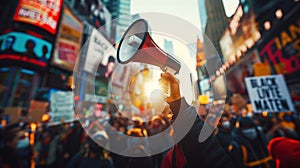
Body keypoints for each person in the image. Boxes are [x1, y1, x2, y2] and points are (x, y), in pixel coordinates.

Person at [159, 72, 235, 168]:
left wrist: (179, 106)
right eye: (201, 118)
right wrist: (178, 105)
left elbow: (210, 157)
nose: (205, 121)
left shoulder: (226, 140)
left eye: (204, 117)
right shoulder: (170, 158)